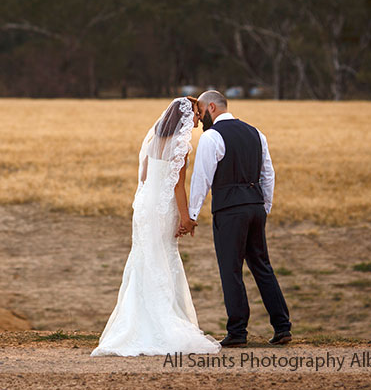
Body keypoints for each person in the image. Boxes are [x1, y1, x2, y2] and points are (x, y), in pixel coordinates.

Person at [91, 97, 220, 356]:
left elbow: (144, 177)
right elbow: (177, 185)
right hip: (163, 208)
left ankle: (136, 322)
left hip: (145, 208)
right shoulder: (181, 145)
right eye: (195, 115)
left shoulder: (153, 142)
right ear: (183, 118)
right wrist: (186, 218)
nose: (197, 120)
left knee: (145, 258)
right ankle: (162, 321)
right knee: (163, 256)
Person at [182, 90, 292, 347]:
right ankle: (282, 326)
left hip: (230, 210)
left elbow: (202, 178)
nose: (199, 117)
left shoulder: (212, 137)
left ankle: (238, 331)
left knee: (231, 270)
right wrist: (264, 206)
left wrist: (192, 214)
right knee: (262, 266)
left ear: (211, 108)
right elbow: (268, 173)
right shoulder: (256, 133)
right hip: (255, 206)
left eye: (200, 110)